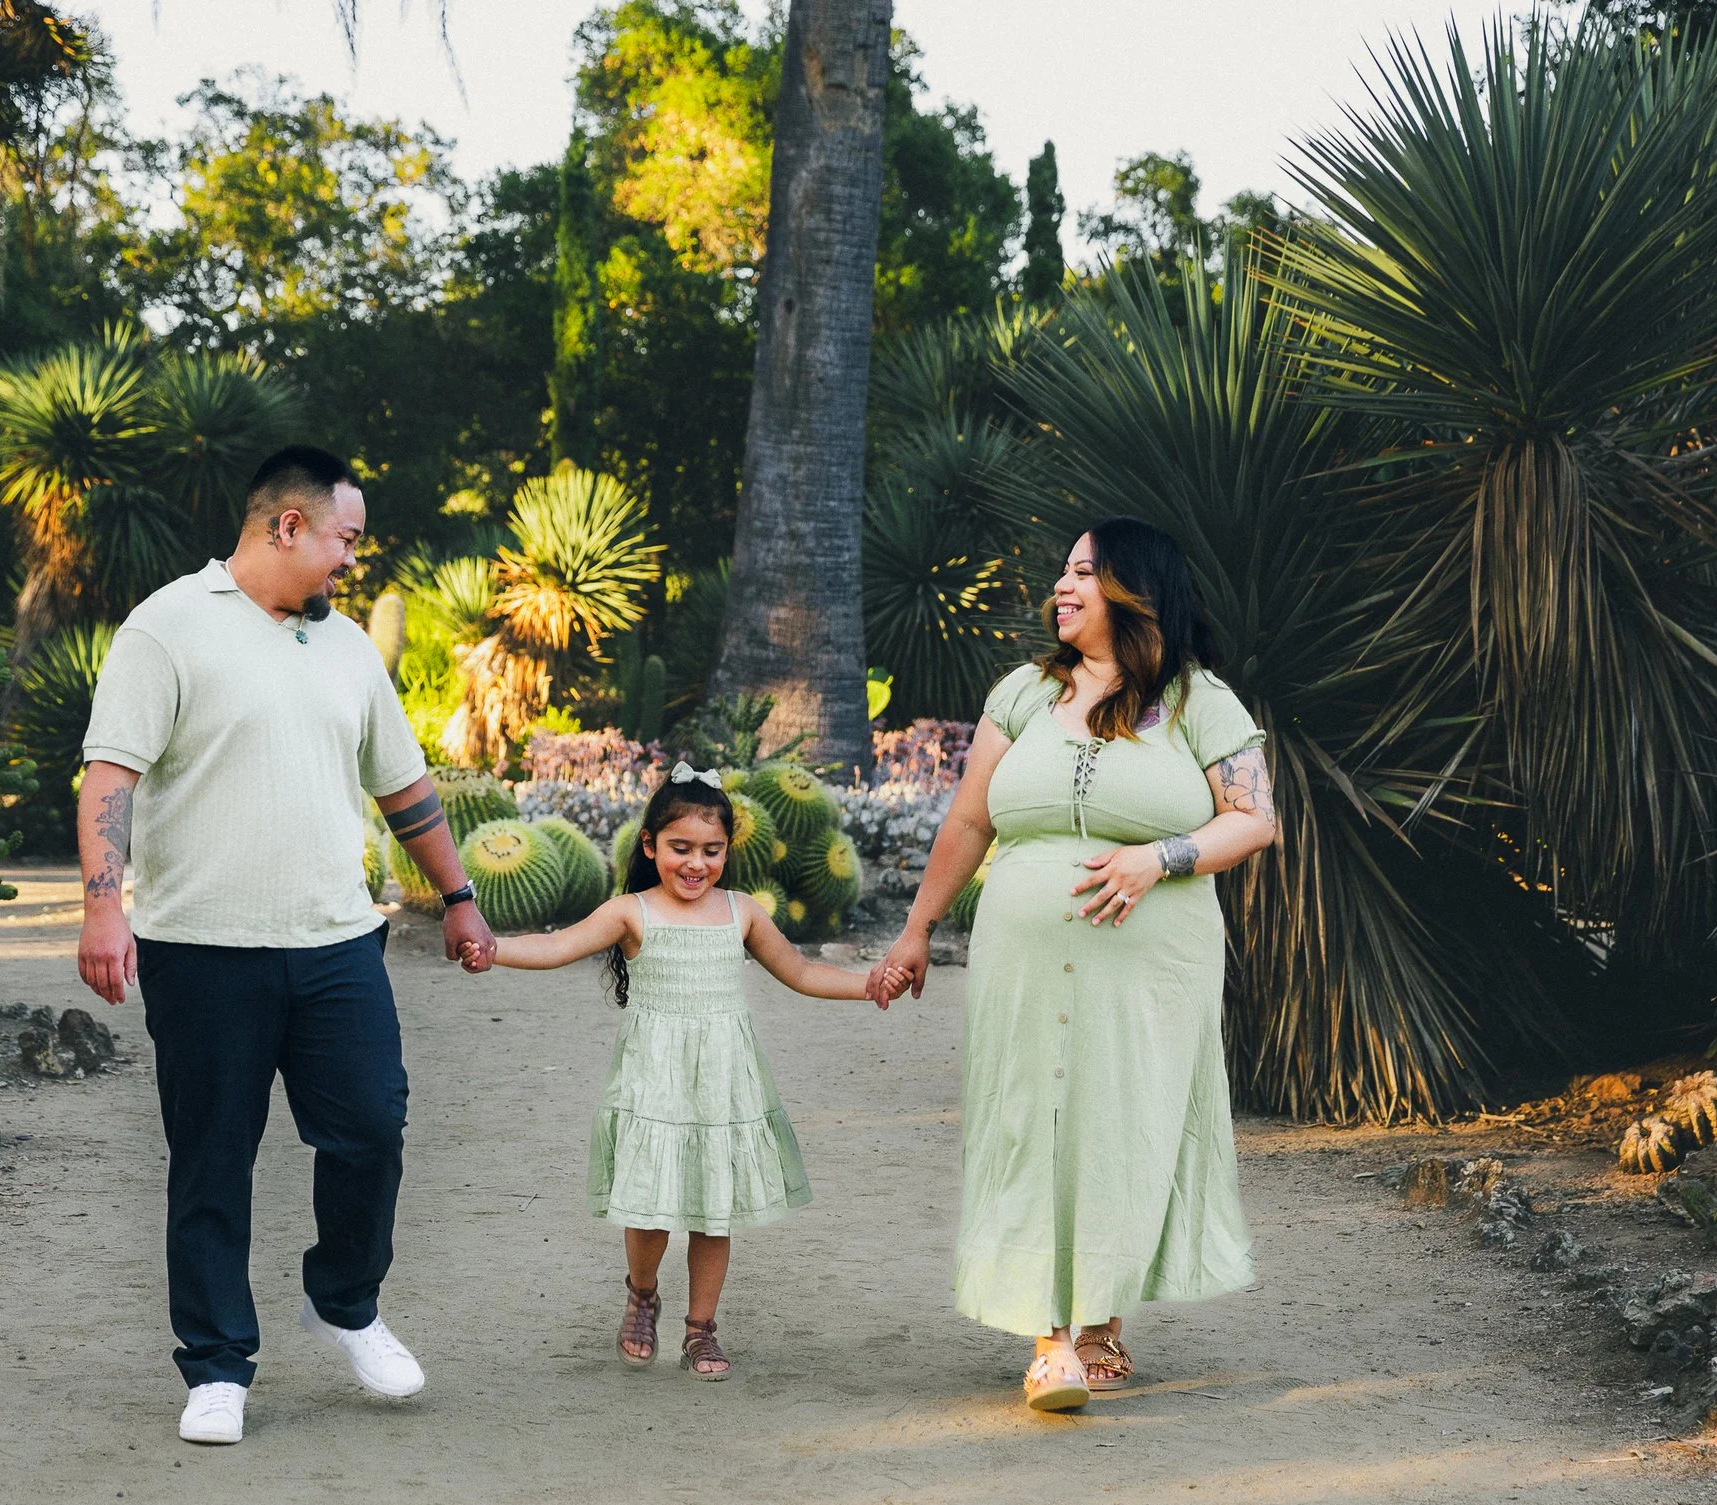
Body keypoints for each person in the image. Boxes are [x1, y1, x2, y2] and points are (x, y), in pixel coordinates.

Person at [74, 444, 497, 1447]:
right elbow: (110, 774)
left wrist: (461, 894)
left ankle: (344, 1298)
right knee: (211, 1158)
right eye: (346, 538)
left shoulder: (348, 646)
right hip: (200, 946)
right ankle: (217, 1364)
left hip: (337, 943)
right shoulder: (166, 626)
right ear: (289, 524)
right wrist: (100, 908)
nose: (354, 559)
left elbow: (404, 786)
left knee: (371, 1128)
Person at [870, 517, 1277, 1413]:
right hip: (1020, 952)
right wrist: (917, 928)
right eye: (1062, 571)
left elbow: (1253, 820)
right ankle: (1050, 1337)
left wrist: (1155, 858)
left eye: (1083, 571)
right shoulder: (1023, 692)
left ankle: (1102, 1319)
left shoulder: (1201, 700)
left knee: (1121, 1119)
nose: (1062, 585)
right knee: (1030, 1119)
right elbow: (970, 821)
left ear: (1135, 588)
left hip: (1153, 963)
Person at [471, 766, 909, 1380]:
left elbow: (803, 973)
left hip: (724, 1083)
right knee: (649, 1206)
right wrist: (491, 948)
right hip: (655, 1079)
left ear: (728, 852)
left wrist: (869, 985)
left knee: (713, 1209)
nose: (695, 863)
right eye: (680, 849)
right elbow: (557, 946)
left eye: (711, 850)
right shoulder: (631, 912)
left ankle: (701, 1329)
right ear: (650, 846)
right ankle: (642, 1295)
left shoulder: (743, 913)